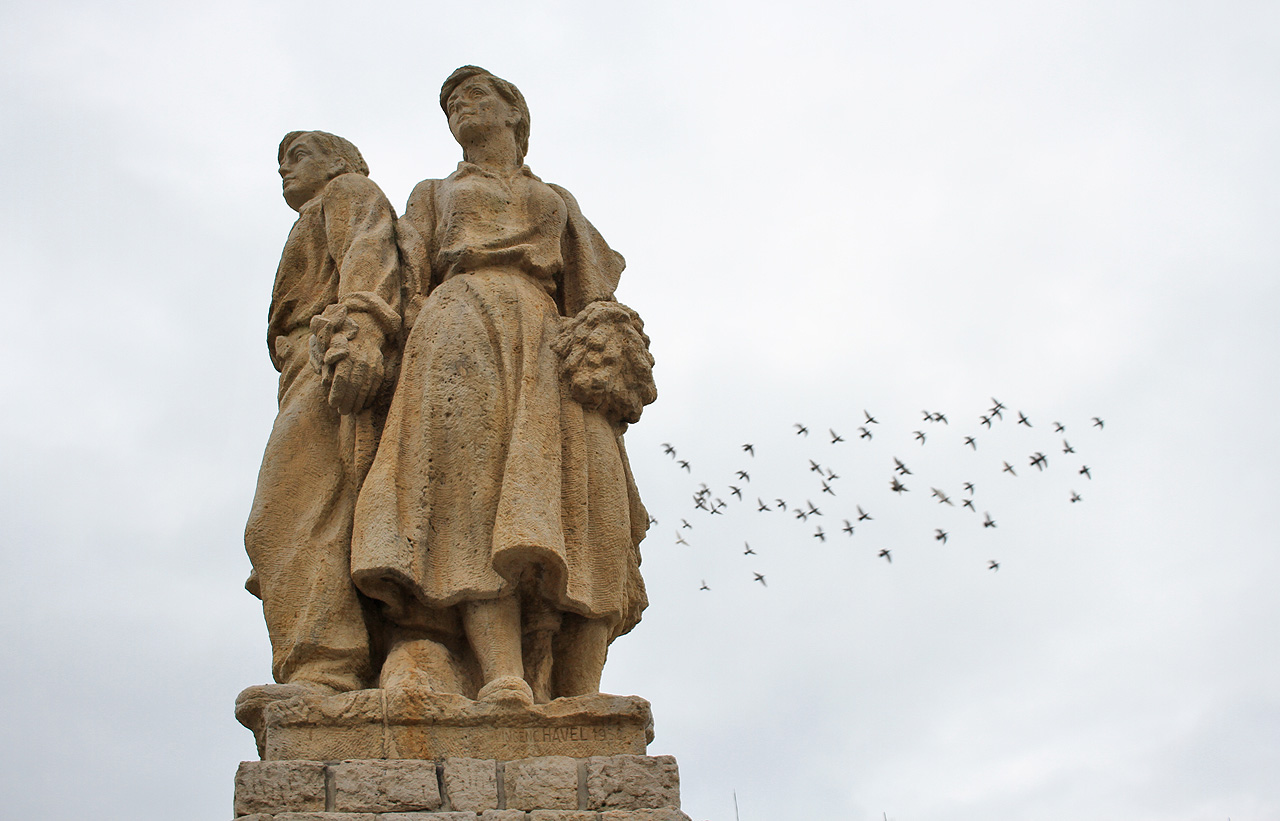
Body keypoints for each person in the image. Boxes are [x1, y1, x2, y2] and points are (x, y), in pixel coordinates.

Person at [351, 67, 655, 705]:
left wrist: (608, 354)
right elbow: (405, 273)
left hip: (547, 333)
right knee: (472, 492)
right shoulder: (433, 192)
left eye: (475, 94)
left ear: (514, 111)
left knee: (582, 498)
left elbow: (592, 285)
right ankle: (501, 675)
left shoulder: (554, 197)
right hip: (459, 322)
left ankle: (576, 689)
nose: (460, 107)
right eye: (450, 104)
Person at [241, 131, 406, 706]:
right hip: (300, 364)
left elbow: (367, 253)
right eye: (280, 161)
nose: (284, 170)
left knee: (290, 507)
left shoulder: (348, 191)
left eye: (298, 157)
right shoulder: (315, 210)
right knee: (309, 506)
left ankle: (324, 666)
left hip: (327, 356)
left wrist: (359, 334)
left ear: (338, 162)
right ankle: (325, 660)